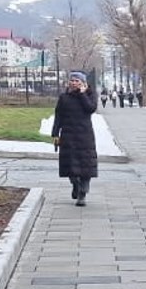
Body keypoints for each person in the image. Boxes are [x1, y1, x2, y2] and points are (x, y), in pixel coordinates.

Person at [52, 71, 98, 207]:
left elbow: (90, 108)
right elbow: (58, 116)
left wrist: (83, 94)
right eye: (72, 80)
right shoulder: (64, 97)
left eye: (77, 81)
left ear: (83, 83)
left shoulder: (90, 95)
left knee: (86, 165)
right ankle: (75, 184)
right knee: (70, 165)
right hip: (68, 135)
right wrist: (55, 133)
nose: (74, 83)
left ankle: (82, 194)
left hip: (85, 135)